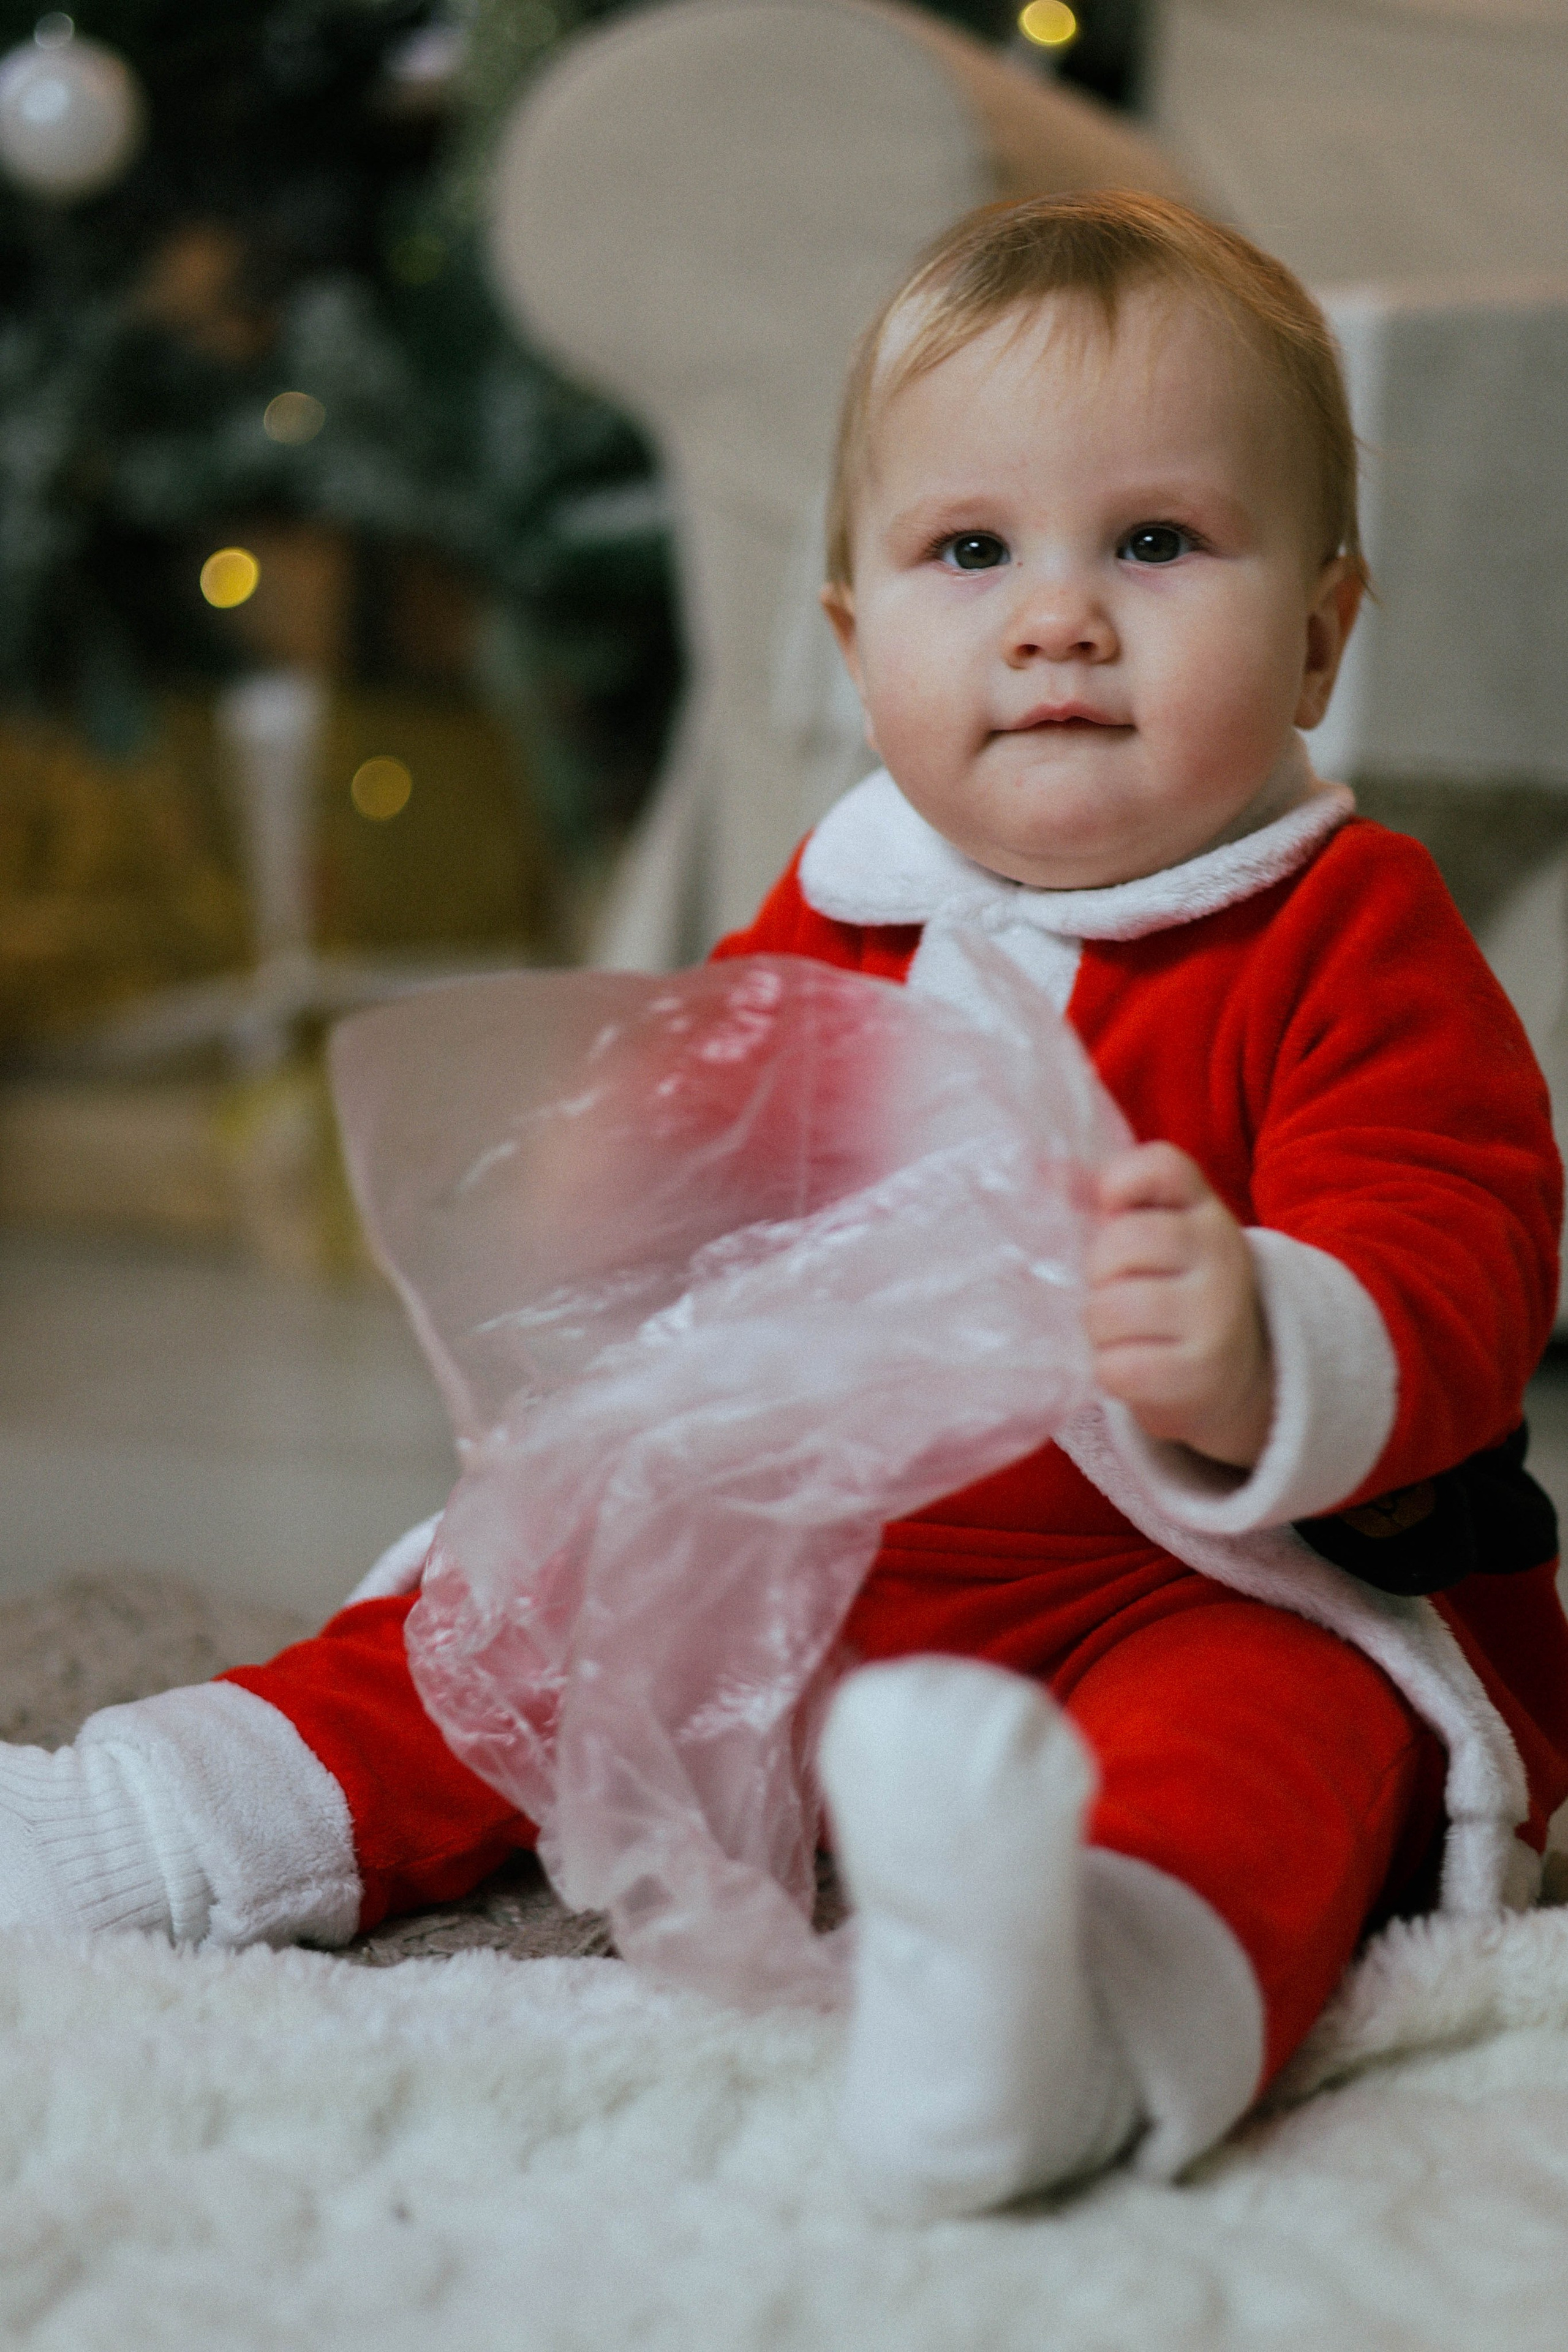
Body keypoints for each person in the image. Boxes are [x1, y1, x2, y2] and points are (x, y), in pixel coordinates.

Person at [1, 192, 1564, 2222]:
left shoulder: (1342, 930)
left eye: (1157, 544)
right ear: (856, 639)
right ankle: (150, 1824)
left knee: (1276, 1749)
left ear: (1323, 639)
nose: (1058, 616)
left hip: (1201, 1567)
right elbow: (714, 1137)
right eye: (970, 551)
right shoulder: (843, 907)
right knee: (512, 1630)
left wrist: (1272, 1331)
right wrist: (604, 1190)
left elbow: (1465, 1239)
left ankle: (1063, 2012)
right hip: (840, 1545)